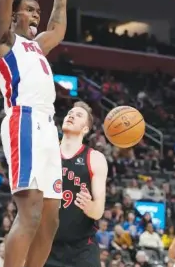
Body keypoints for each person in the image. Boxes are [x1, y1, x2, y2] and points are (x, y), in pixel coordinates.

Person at [0, 0, 70, 267]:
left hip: (48, 127)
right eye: (30, 10)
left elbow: (57, 29)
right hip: (24, 120)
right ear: (13, 15)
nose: (36, 15)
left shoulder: (37, 46)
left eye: (38, 11)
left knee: (50, 220)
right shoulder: (3, 40)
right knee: (30, 213)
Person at [26, 101, 108, 267]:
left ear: (85, 129)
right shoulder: (45, 153)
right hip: (46, 245)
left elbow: (98, 211)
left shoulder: (95, 158)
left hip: (82, 248)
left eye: (78, 115)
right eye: (70, 112)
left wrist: (89, 206)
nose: (71, 115)